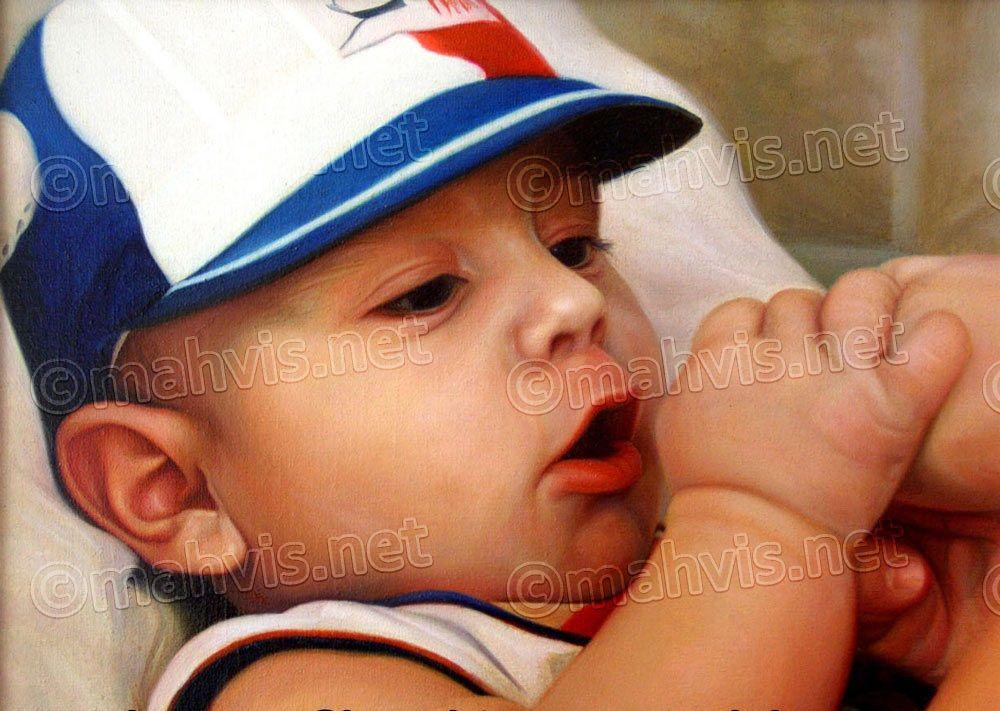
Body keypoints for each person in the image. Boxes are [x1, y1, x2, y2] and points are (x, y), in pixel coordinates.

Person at [2, 1, 995, 708]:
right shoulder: (291, 682)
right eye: (423, 293)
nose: (573, 301)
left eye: (576, 244)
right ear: (175, 491)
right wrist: (763, 517)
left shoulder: (706, 551)